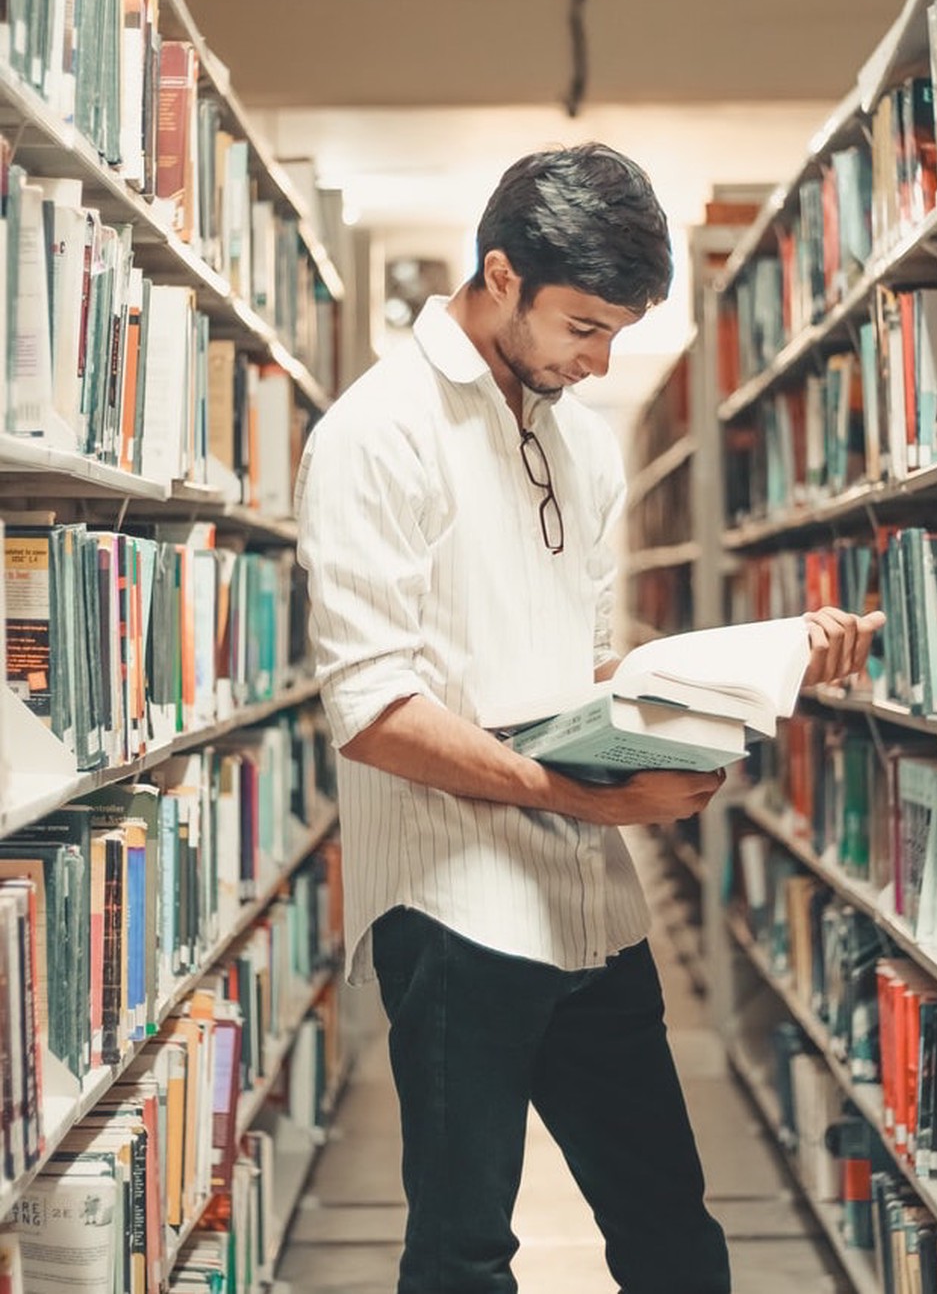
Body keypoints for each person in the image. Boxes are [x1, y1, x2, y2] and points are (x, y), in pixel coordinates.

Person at [295, 142, 884, 1294]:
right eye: (583, 326)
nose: (600, 358)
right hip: (455, 907)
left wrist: (743, 676)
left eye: (620, 330)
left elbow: (583, 664)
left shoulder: (583, 440)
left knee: (672, 1228)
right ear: (501, 275)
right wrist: (578, 790)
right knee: (464, 1254)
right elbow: (370, 707)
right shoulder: (377, 435)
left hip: (590, 905)